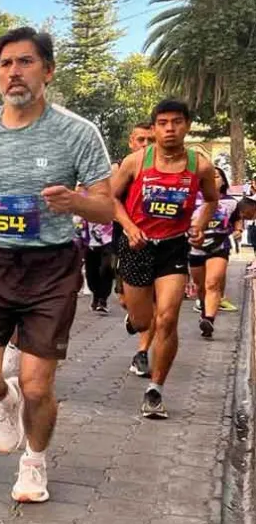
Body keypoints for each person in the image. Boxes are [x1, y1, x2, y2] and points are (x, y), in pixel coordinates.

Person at [0, 28, 113, 503]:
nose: (14, 71)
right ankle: (4, 400)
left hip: (49, 269)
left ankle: (34, 463)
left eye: (26, 62)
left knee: (38, 384)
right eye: (6, 63)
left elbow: (107, 207)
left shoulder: (78, 133)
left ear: (48, 71)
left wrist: (76, 201)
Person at [114, 99, 219, 419]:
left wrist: (200, 223)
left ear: (187, 125)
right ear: (155, 126)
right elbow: (111, 198)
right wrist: (129, 227)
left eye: (176, 122)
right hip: (137, 246)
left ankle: (155, 390)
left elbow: (212, 200)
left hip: (173, 248)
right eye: (162, 122)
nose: (169, 128)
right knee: (144, 321)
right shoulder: (136, 162)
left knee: (168, 319)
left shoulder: (200, 165)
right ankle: (134, 318)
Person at [117, 122, 158, 376]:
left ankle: (142, 353)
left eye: (150, 140)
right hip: (122, 242)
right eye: (141, 140)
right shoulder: (121, 168)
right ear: (131, 142)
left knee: (156, 304)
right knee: (127, 302)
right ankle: (134, 315)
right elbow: (107, 200)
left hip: (161, 246)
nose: (145, 145)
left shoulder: (170, 171)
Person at [189, 168, 249, 337]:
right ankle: (203, 308)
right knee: (201, 286)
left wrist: (238, 230)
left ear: (223, 181)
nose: (212, 180)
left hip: (219, 246)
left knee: (212, 283)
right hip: (196, 247)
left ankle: (209, 319)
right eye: (208, 177)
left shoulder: (231, 202)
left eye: (216, 177)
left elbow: (237, 219)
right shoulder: (193, 199)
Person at [80, 208, 115, 314]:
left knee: (107, 268)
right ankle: (96, 295)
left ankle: (102, 300)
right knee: (91, 273)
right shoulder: (83, 195)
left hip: (108, 239)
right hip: (89, 240)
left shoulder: (110, 195)